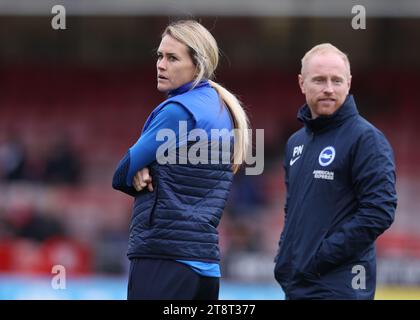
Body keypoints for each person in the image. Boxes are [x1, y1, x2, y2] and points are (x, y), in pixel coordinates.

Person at [112, 20, 249, 300]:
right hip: (204, 267)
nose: (161, 64)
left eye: (172, 58)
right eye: (160, 56)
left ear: (198, 65)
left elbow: (121, 172)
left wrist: (142, 168)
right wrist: (148, 166)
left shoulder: (178, 111)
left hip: (163, 261)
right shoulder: (222, 107)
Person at [273, 43, 397, 300]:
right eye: (319, 80)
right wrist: (286, 258)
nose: (329, 88)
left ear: (348, 83)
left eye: (336, 80)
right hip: (299, 285)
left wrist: (320, 257)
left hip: (340, 288)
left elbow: (379, 212)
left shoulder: (366, 139)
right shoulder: (296, 143)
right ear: (302, 83)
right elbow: (292, 209)